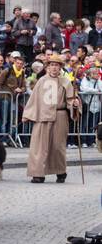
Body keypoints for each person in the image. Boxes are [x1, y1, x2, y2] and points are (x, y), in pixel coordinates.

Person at [21, 53, 80, 184]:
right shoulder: (41, 81)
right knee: (39, 146)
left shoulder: (66, 82)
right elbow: (34, 99)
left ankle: (60, 172)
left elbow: (71, 99)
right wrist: (27, 114)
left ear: (60, 68)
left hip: (60, 116)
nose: (54, 68)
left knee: (58, 146)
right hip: (43, 116)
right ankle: (38, 174)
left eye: (57, 65)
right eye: (51, 65)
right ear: (47, 67)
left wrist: (75, 104)